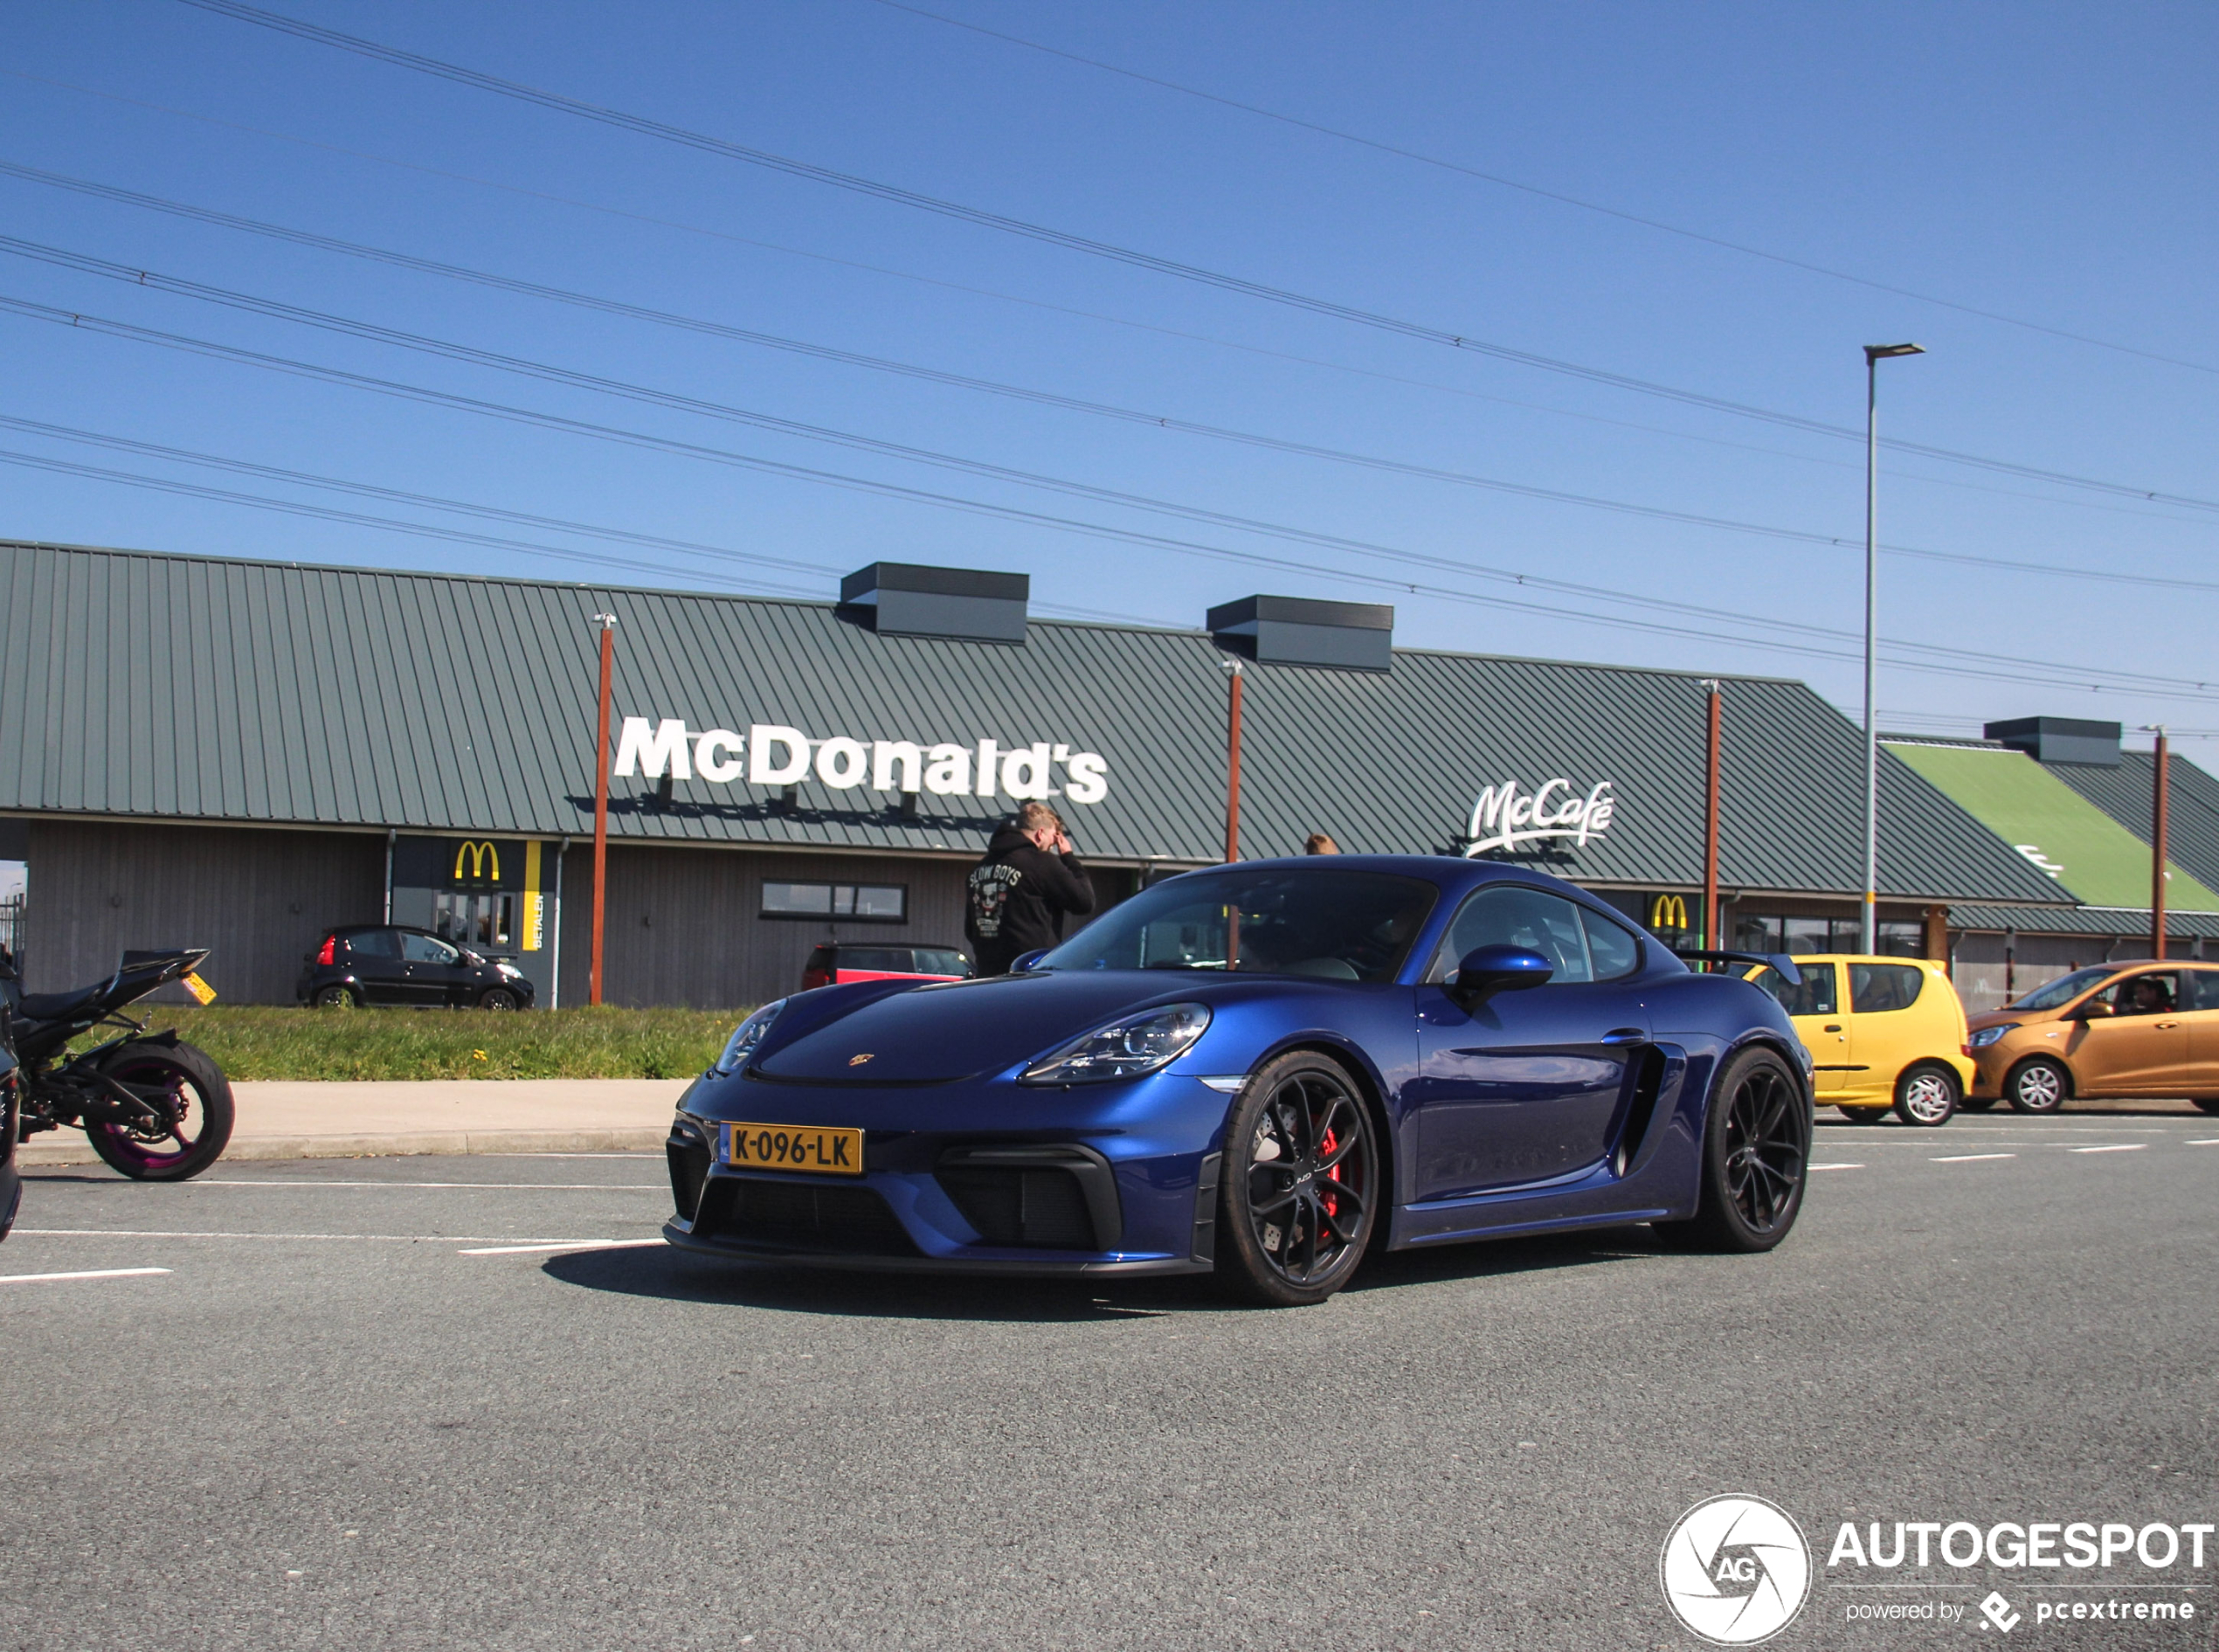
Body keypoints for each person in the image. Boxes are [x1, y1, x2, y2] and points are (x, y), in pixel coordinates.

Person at [964, 801, 1096, 975]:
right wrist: (1068, 858)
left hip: (988, 975)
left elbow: (970, 930)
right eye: (1053, 838)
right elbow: (1084, 901)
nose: (1053, 845)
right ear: (1041, 833)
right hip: (1031, 975)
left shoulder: (979, 869)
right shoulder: (1041, 863)